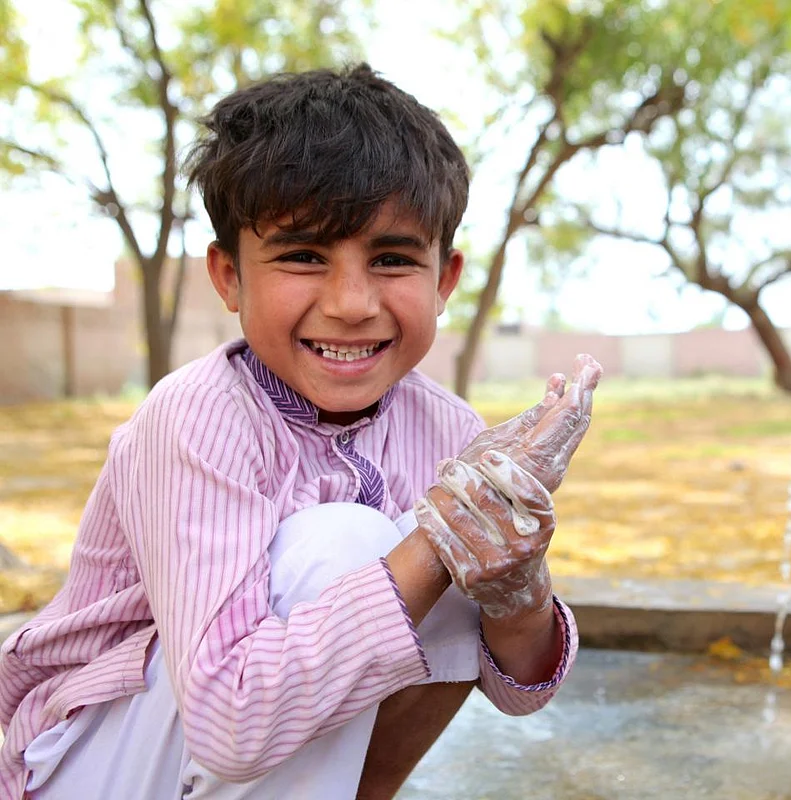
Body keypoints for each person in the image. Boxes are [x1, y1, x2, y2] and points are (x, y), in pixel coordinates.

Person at [0, 63, 602, 800]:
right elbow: (228, 725)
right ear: (228, 277)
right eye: (302, 256)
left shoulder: (447, 426)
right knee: (355, 544)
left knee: (444, 558)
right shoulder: (197, 415)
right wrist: (440, 537)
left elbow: (518, 690)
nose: (351, 303)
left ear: (444, 279)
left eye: (391, 259)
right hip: (96, 761)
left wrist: (517, 584)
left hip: (241, 760)